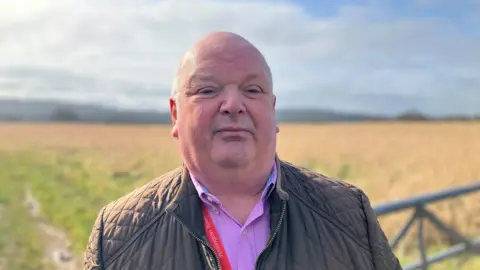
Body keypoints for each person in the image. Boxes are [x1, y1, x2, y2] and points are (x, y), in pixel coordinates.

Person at [83, 31, 402, 270]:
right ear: (175, 114)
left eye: (252, 90)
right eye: (207, 90)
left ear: (273, 111)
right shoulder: (117, 236)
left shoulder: (350, 213)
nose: (234, 105)